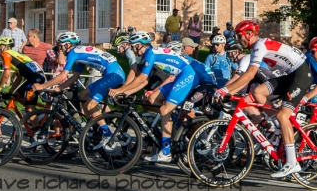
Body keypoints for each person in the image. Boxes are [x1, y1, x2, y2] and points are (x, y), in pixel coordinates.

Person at [217, 20, 310, 178]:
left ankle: (293, 162)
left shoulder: (260, 45)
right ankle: (276, 124)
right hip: (290, 75)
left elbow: (250, 75)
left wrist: (225, 90)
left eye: (240, 36)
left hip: (300, 74)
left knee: (283, 115)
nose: (239, 40)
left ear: (249, 34)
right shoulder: (255, 48)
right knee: (259, 92)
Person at [32, 32, 125, 149]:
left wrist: (43, 86)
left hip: (113, 74)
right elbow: (74, 77)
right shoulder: (79, 54)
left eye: (61, 45)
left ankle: (107, 135)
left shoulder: (73, 53)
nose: (60, 48)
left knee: (91, 105)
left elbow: (62, 76)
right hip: (112, 73)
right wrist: (59, 88)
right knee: (83, 95)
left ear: (67, 45)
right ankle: (93, 129)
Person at [119, 32, 197, 163]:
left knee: (164, 110)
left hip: (186, 74)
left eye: (133, 46)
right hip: (178, 76)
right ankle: (171, 123)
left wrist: (119, 90)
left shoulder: (150, 53)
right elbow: (144, 82)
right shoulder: (149, 54)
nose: (132, 49)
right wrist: (125, 92)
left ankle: (166, 152)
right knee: (153, 100)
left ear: (139, 45)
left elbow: (142, 78)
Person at [0, 36, 46, 114]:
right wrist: (10, 92)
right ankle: (35, 113)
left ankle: (35, 117)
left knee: (29, 109)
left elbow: (6, 74)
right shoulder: (16, 54)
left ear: (2, 47)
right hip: (36, 76)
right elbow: (19, 78)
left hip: (34, 78)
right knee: (17, 95)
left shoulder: (6, 54)